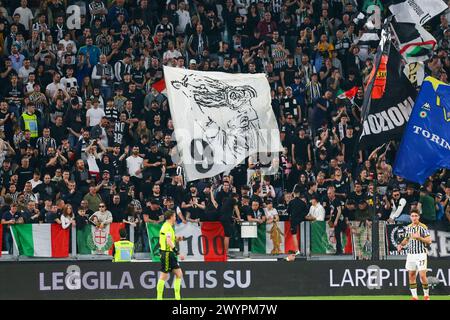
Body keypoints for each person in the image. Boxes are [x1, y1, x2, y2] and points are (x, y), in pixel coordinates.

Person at [397, 209, 432, 300]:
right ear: (410, 217)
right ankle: (415, 297)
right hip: (411, 255)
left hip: (420, 254)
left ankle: (426, 295)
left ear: (419, 217)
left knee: (422, 276)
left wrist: (419, 237)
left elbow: (429, 241)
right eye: (412, 216)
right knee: (411, 275)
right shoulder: (408, 227)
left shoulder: (423, 227)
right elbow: (406, 239)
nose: (414, 218)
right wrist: (401, 245)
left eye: (416, 216)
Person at [156, 210, 185, 300]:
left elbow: (167, 239)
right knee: (164, 276)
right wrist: (178, 252)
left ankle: (177, 297)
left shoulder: (168, 227)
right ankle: (159, 298)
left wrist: (177, 238)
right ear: (171, 217)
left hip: (169, 254)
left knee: (179, 274)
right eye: (175, 216)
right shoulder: (166, 227)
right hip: (167, 254)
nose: (175, 218)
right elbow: (168, 241)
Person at [287, 187, 308, 255]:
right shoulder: (303, 202)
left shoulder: (291, 202)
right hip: (302, 220)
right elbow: (306, 211)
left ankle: (297, 250)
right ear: (299, 194)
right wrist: (301, 216)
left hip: (293, 220)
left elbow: (288, 211)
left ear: (294, 194)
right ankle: (305, 250)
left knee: (294, 235)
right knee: (304, 234)